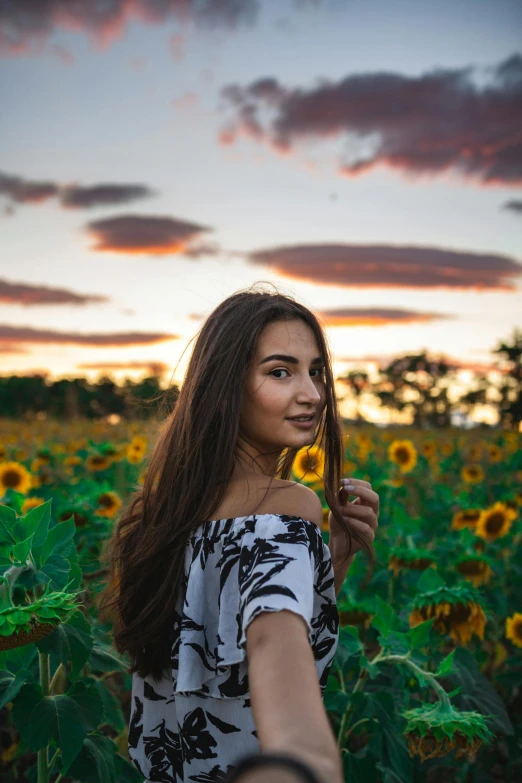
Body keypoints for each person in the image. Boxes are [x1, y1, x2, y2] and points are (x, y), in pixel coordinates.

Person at [99, 283, 379, 783]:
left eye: (316, 372)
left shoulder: (162, 513)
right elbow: (272, 642)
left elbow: (239, 629)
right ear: (226, 384)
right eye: (280, 372)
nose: (311, 394)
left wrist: (330, 560)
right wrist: (305, 761)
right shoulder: (288, 505)